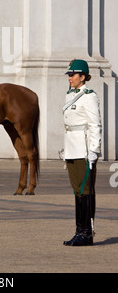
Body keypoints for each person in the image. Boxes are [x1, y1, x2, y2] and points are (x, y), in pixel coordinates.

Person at [62, 59, 102, 246]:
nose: (70, 78)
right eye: (69, 74)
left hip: (84, 150)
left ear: (83, 77)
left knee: (85, 190)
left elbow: (95, 125)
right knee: (77, 191)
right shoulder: (70, 95)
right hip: (72, 148)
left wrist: (94, 150)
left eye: (73, 74)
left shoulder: (89, 96)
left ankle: (86, 233)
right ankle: (79, 231)